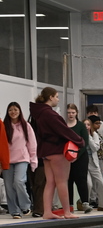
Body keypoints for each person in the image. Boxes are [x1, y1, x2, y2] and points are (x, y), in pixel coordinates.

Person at [29, 87, 84, 220]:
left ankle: (47, 212)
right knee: (62, 181)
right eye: (57, 97)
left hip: (46, 152)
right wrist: (80, 141)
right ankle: (67, 212)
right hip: (57, 150)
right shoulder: (50, 114)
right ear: (51, 97)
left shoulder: (38, 114)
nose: (58, 100)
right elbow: (64, 130)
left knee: (50, 182)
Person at [3, 102, 36, 218]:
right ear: (7, 112)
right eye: (10, 110)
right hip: (7, 160)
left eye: (15, 109)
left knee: (19, 182)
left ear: (20, 111)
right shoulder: (4, 126)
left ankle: (26, 205)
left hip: (22, 159)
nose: (13, 112)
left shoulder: (26, 126)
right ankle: (14, 210)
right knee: (8, 186)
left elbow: (32, 144)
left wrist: (33, 161)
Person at [64, 104, 91, 213]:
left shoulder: (80, 126)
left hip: (80, 157)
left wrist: (76, 156)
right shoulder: (63, 126)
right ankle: (69, 204)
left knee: (81, 180)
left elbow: (85, 143)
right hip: (67, 158)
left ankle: (85, 203)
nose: (71, 114)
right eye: (69, 112)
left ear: (76, 113)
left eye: (73, 112)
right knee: (68, 180)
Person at [84, 115, 103, 211]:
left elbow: (95, 148)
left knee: (100, 182)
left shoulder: (94, 135)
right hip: (84, 161)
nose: (86, 126)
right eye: (85, 124)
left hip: (94, 161)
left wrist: (88, 137)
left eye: (88, 124)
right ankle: (86, 202)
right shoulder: (80, 135)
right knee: (89, 184)